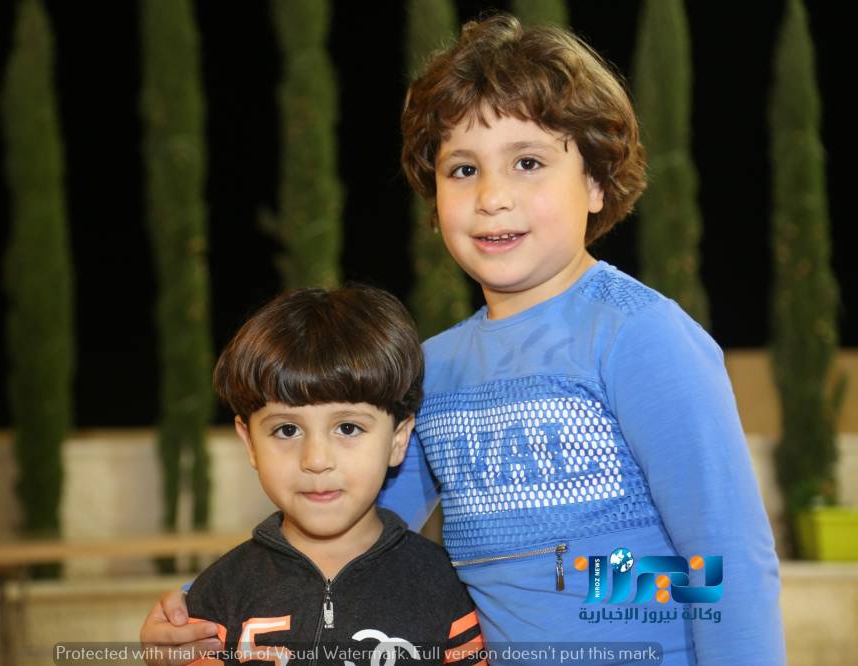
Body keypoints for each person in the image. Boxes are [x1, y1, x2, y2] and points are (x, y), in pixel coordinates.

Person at [143, 14, 785, 665]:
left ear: (595, 182)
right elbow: (346, 522)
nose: (492, 196)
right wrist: (200, 608)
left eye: (528, 162)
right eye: (462, 169)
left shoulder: (641, 337)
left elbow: (726, 555)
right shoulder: (435, 368)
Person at [141, 286, 487, 666]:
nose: (316, 460)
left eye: (348, 428)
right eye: (287, 430)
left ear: (398, 439)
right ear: (250, 442)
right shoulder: (215, 599)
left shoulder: (444, 588)